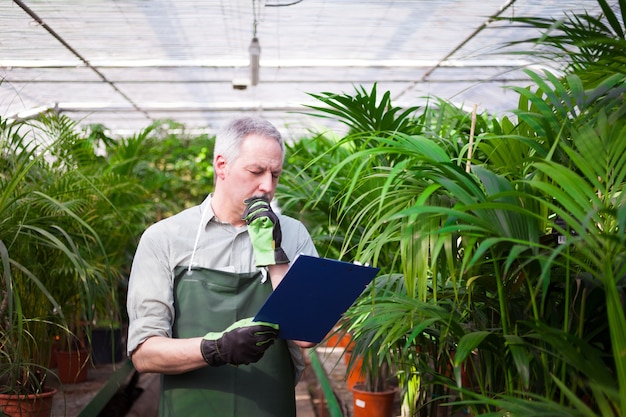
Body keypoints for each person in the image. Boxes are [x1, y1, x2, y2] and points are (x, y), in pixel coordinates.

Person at [126, 116, 318, 417]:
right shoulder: (165, 239)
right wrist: (215, 348)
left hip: (269, 407)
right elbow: (144, 353)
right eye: (256, 171)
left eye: (275, 175)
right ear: (221, 165)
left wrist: (273, 253)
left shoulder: (293, 236)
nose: (267, 186)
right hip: (190, 408)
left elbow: (307, 334)